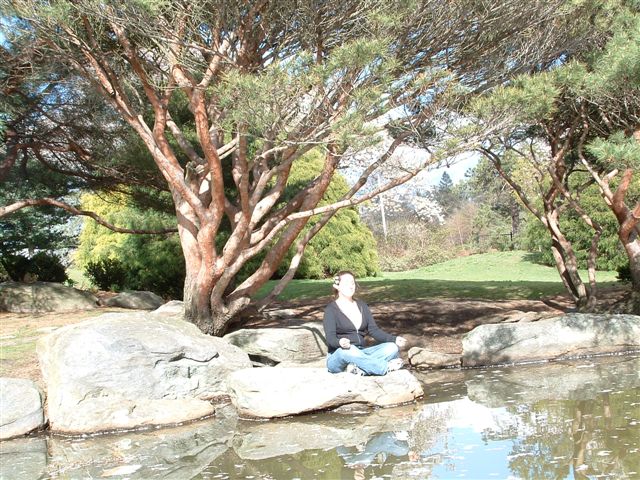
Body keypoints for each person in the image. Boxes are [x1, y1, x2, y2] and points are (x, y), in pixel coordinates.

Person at [323, 271, 408, 376]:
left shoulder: (362, 306)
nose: (350, 286)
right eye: (346, 283)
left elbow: (374, 330)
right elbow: (330, 338)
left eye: (352, 283)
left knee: (392, 348)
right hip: (339, 355)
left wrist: (394, 339)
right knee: (349, 350)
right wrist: (339, 342)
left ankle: (358, 369)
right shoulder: (331, 309)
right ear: (337, 286)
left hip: (361, 353)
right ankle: (385, 367)